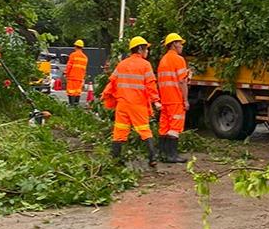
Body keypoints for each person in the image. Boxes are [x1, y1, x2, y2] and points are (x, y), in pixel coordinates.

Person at [101, 36, 161, 167]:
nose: (147, 52)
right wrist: (156, 101)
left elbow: (112, 83)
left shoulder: (122, 64)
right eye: (146, 49)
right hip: (137, 105)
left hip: (122, 105)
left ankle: (115, 159)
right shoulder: (145, 65)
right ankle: (152, 158)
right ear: (140, 49)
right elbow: (150, 84)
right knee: (144, 131)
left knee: (119, 132)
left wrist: (106, 96)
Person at [156, 33, 190, 164]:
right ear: (174, 44)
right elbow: (182, 82)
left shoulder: (163, 60)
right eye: (180, 43)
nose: (181, 46)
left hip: (165, 99)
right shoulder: (178, 60)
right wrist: (185, 100)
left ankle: (163, 154)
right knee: (175, 127)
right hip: (175, 98)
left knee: (165, 126)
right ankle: (172, 155)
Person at [64, 40, 89, 106]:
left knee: (71, 91)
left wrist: (65, 73)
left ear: (75, 46)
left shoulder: (73, 55)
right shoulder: (85, 57)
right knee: (78, 91)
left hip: (72, 76)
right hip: (80, 77)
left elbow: (69, 66)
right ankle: (76, 104)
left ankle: (71, 105)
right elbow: (84, 69)